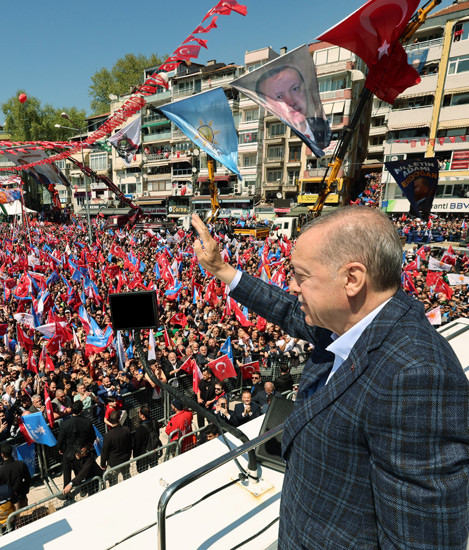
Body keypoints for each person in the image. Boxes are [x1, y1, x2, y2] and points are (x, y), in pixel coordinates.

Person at [191, 207, 469, 549]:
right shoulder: (351, 322)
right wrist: (222, 270)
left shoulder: (416, 377)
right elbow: (287, 310)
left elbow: (421, 541)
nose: (292, 286)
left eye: (301, 275)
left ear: (352, 279)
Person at [255, 65, 331, 150]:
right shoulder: (275, 133)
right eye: (279, 97)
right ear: (268, 107)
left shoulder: (326, 128)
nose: (291, 102)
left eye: (295, 89)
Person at [56, 401, 96, 490]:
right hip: (82, 450)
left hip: (68, 452)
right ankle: (83, 489)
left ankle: (66, 492)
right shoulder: (87, 421)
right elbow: (92, 436)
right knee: (80, 471)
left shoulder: (65, 424)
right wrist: (87, 446)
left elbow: (60, 439)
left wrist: (60, 448)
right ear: (81, 410)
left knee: (67, 473)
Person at [99, 410, 132, 481]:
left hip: (113, 463)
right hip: (125, 460)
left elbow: (104, 451)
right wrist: (128, 455)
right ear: (119, 418)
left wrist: (102, 465)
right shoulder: (126, 430)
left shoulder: (108, 436)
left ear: (110, 420)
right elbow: (130, 444)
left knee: (113, 483)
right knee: (127, 479)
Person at [0, 443, 31, 510]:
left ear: (2, 455)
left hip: (8, 502)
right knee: (25, 515)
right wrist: (25, 491)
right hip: (21, 496)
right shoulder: (21, 464)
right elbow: (28, 479)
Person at [132, 405, 161, 472]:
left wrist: (135, 456)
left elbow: (137, 444)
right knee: (154, 469)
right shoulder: (155, 422)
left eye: (139, 413)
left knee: (143, 472)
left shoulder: (140, 429)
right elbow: (157, 434)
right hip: (154, 450)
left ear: (142, 416)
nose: (138, 414)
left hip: (143, 455)